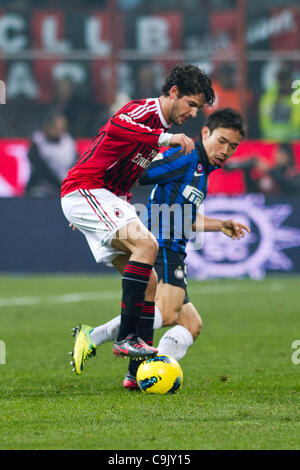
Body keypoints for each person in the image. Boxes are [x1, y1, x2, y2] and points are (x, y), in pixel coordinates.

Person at [71, 108, 250, 390]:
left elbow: (184, 217)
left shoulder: (202, 167)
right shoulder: (185, 157)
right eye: (222, 141)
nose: (226, 150)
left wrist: (220, 225)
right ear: (205, 133)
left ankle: (141, 374)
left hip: (175, 247)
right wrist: (95, 206)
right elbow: (137, 174)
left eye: (233, 146)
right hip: (163, 245)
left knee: (191, 324)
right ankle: (95, 337)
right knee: (166, 313)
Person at [61, 63, 216, 371]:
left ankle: (136, 372)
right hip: (86, 189)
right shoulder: (143, 111)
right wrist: (164, 140)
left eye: (198, 108)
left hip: (103, 198)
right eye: (191, 104)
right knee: (147, 247)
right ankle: (126, 338)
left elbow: (122, 171)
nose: (193, 113)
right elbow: (116, 125)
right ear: (174, 93)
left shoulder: (158, 126)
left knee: (151, 281)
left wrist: (102, 215)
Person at [26, 110, 77, 197]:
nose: (59, 131)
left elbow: (76, 163)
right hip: (45, 186)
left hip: (65, 186)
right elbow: (40, 169)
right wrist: (60, 185)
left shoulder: (68, 141)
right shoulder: (38, 142)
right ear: (47, 127)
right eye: (56, 127)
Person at [259, 63, 300, 142]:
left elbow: (297, 124)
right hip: (271, 140)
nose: (284, 83)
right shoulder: (268, 96)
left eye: (286, 79)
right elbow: (264, 124)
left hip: (294, 140)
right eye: (281, 79)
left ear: (292, 80)